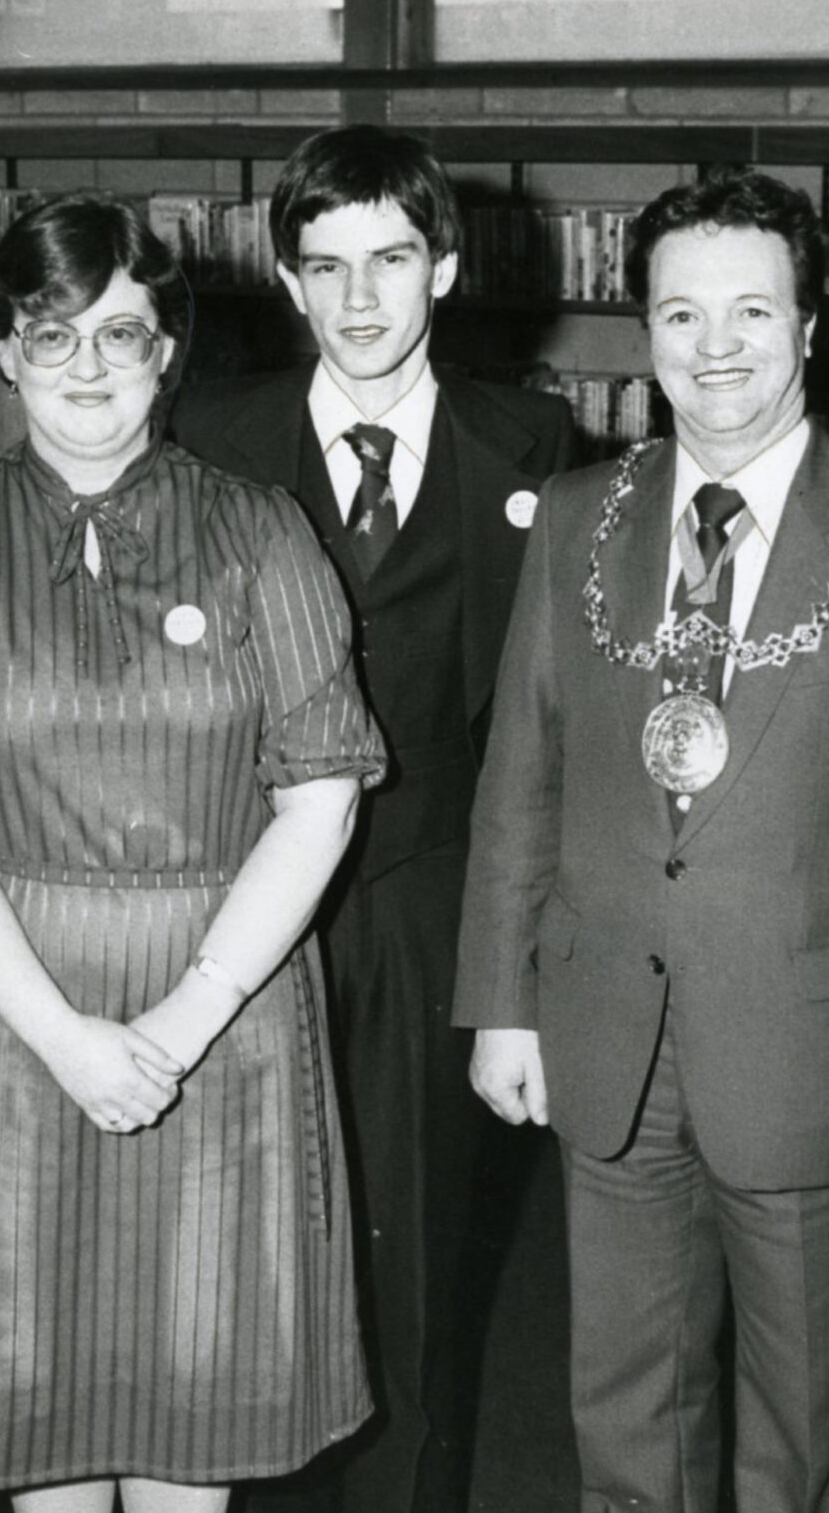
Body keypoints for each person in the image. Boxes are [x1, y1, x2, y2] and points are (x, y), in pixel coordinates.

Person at [455, 168, 829, 1512]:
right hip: (604, 1034)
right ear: (641, 331)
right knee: (623, 1406)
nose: (714, 350)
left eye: (750, 312)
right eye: (680, 314)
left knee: (806, 1427)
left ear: (809, 328)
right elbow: (520, 777)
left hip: (812, 1054)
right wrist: (499, 1003)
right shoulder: (580, 519)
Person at [0, 193, 384, 1513]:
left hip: (225, 1010)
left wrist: (184, 1018)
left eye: (120, 333)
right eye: (51, 336)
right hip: (7, 1021)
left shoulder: (265, 533)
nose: (87, 369)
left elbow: (318, 800)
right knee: (44, 1440)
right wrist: (63, 1035)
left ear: (167, 350)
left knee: (187, 1437)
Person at [169, 123, 576, 1513]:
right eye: (325, 266)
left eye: (389, 260)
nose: (358, 300)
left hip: (428, 909)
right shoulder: (209, 440)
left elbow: (541, 728)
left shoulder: (530, 446)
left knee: (413, 1272)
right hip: (238, 914)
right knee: (251, 1259)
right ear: (286, 285)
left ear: (443, 269)